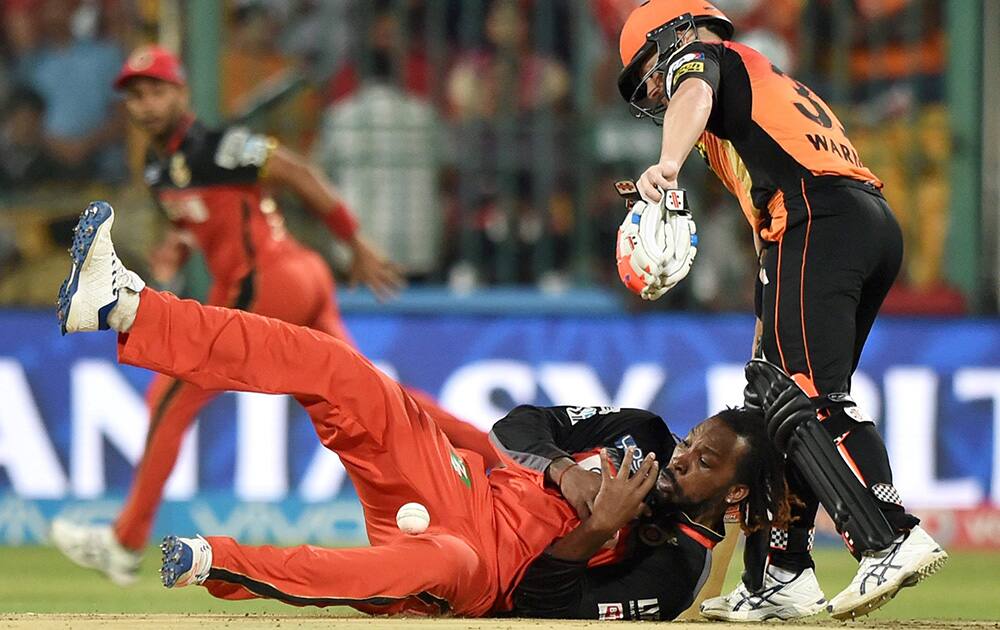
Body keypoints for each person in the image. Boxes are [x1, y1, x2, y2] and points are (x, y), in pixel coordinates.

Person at [56, 201, 787, 620]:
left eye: (705, 463)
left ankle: (215, 560)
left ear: (737, 491)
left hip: (480, 574)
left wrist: (599, 528)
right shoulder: (643, 433)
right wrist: (566, 473)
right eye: (695, 440)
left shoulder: (679, 572)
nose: (683, 456)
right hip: (459, 482)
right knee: (334, 364)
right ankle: (125, 307)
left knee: (428, 562)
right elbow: (517, 426)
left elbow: (541, 610)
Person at [49, 46, 494, 586]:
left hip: (267, 280)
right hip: (294, 277)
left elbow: (297, 171)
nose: (145, 105)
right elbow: (199, 219)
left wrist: (355, 242)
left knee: (170, 393)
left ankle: (124, 543)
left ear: (181, 92)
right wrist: (178, 248)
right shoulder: (156, 164)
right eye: (135, 96)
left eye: (155, 91)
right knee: (373, 393)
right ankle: (500, 456)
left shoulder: (217, 144)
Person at [614, 0, 946, 621]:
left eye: (651, 69)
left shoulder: (704, 59)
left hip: (817, 215)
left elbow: (692, 92)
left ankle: (887, 535)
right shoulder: (764, 76)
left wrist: (667, 162)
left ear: (677, 34)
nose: (655, 88)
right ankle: (780, 573)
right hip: (852, 221)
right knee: (770, 400)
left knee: (805, 396)